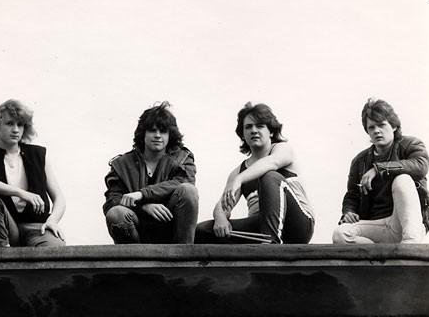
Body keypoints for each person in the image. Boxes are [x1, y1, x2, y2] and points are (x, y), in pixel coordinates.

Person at [196, 102, 314, 244]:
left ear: (271, 131)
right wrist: (220, 218)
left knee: (270, 176)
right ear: (243, 134)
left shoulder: (282, 149)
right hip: (261, 225)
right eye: (248, 127)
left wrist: (239, 180)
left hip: (296, 224)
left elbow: (273, 163)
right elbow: (222, 205)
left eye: (260, 126)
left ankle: (270, 247)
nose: (253, 130)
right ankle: (263, 242)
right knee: (202, 230)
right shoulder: (238, 172)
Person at [332, 98, 429, 244]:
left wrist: (378, 169)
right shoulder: (359, 161)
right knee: (340, 234)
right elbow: (352, 195)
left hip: (406, 224)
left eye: (381, 125)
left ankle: (410, 246)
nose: (377, 131)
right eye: (371, 127)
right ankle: (377, 254)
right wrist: (349, 212)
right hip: (377, 225)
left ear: (394, 126)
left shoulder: (410, 144)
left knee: (402, 179)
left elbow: (421, 165)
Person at [0, 99, 66, 247]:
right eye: (9, 123)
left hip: (37, 228)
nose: (16, 130)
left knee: (56, 249)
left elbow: (59, 198)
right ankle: (2, 250)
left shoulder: (39, 154)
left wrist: (52, 221)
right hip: (6, 229)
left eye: (20, 124)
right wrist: (21, 193)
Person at [103, 101, 198, 244]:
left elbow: (184, 182)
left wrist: (141, 194)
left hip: (172, 229)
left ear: (170, 134)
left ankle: (184, 254)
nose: (158, 135)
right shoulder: (122, 163)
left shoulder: (183, 158)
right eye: (152, 130)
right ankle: (133, 258)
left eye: (163, 131)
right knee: (115, 213)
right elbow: (112, 201)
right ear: (143, 133)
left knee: (188, 190)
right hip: (137, 230)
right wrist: (143, 207)